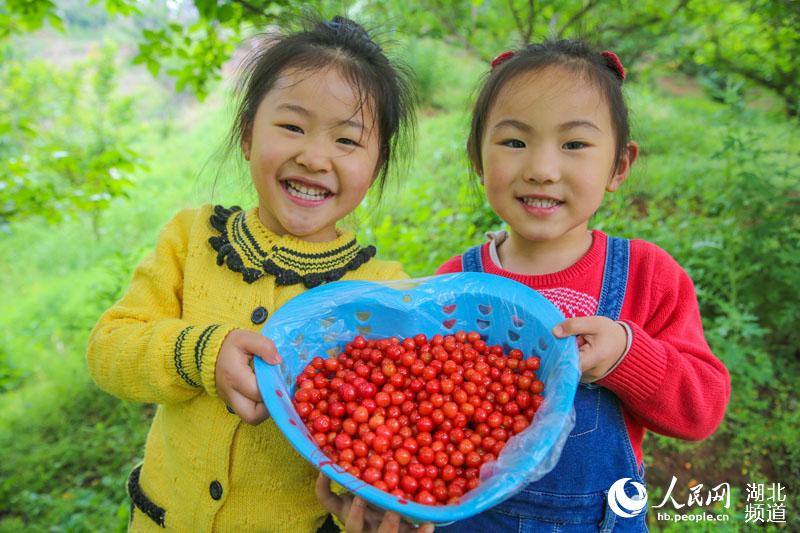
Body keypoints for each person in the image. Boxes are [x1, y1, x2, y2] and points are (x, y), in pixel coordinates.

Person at [87, 15, 417, 531]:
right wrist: (203, 352)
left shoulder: (384, 291)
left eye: (347, 141)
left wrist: (378, 504)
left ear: (375, 167)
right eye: (292, 127)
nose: (313, 157)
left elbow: (383, 435)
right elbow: (109, 349)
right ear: (246, 136)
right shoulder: (191, 239)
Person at [434, 40, 730, 531]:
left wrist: (626, 356)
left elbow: (701, 410)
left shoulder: (646, 275)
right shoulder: (455, 284)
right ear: (477, 159)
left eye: (574, 144)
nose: (542, 170)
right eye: (514, 142)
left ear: (619, 166)